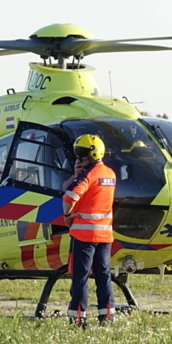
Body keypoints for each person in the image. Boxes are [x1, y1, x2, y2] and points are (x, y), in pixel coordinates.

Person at [63, 134, 116, 326]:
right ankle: (107, 316)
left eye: (81, 153)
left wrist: (68, 216)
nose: (78, 158)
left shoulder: (88, 175)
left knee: (81, 277)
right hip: (105, 234)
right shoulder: (110, 174)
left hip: (85, 234)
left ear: (92, 154)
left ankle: (78, 318)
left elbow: (69, 196)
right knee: (103, 275)